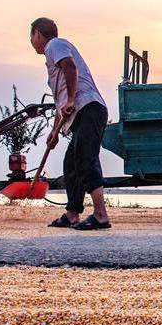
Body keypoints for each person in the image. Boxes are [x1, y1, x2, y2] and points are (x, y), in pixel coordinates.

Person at [30, 17, 111, 230]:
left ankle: (101, 216)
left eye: (31, 37)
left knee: (86, 159)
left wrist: (73, 99)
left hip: (88, 108)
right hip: (80, 113)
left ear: (38, 34)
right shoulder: (53, 56)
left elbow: (70, 68)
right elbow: (62, 100)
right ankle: (72, 214)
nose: (32, 42)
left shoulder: (54, 45)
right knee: (71, 164)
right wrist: (54, 132)